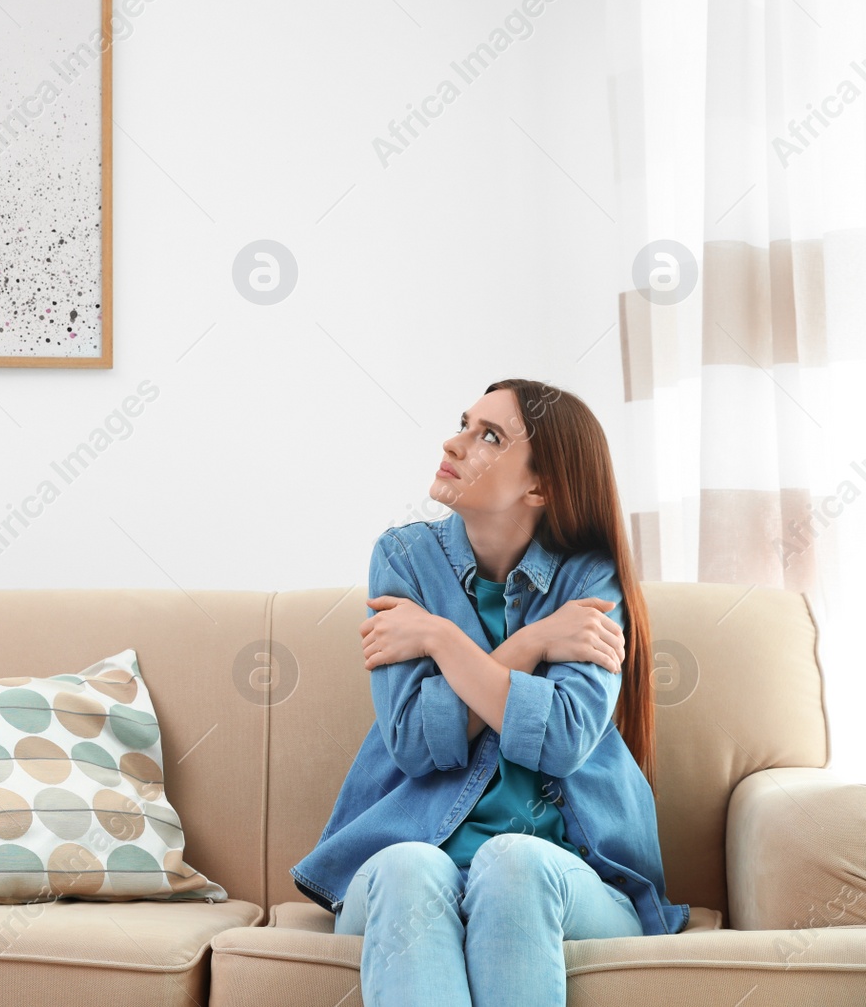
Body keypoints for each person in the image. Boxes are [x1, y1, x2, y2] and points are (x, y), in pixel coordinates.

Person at [289, 378, 689, 1006]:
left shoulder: (590, 579)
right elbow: (418, 741)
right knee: (409, 863)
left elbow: (559, 741)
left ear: (539, 487)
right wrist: (529, 646)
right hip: (411, 874)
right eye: (465, 423)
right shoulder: (403, 559)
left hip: (564, 878)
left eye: (489, 436)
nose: (454, 442)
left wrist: (442, 642)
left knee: (514, 859)